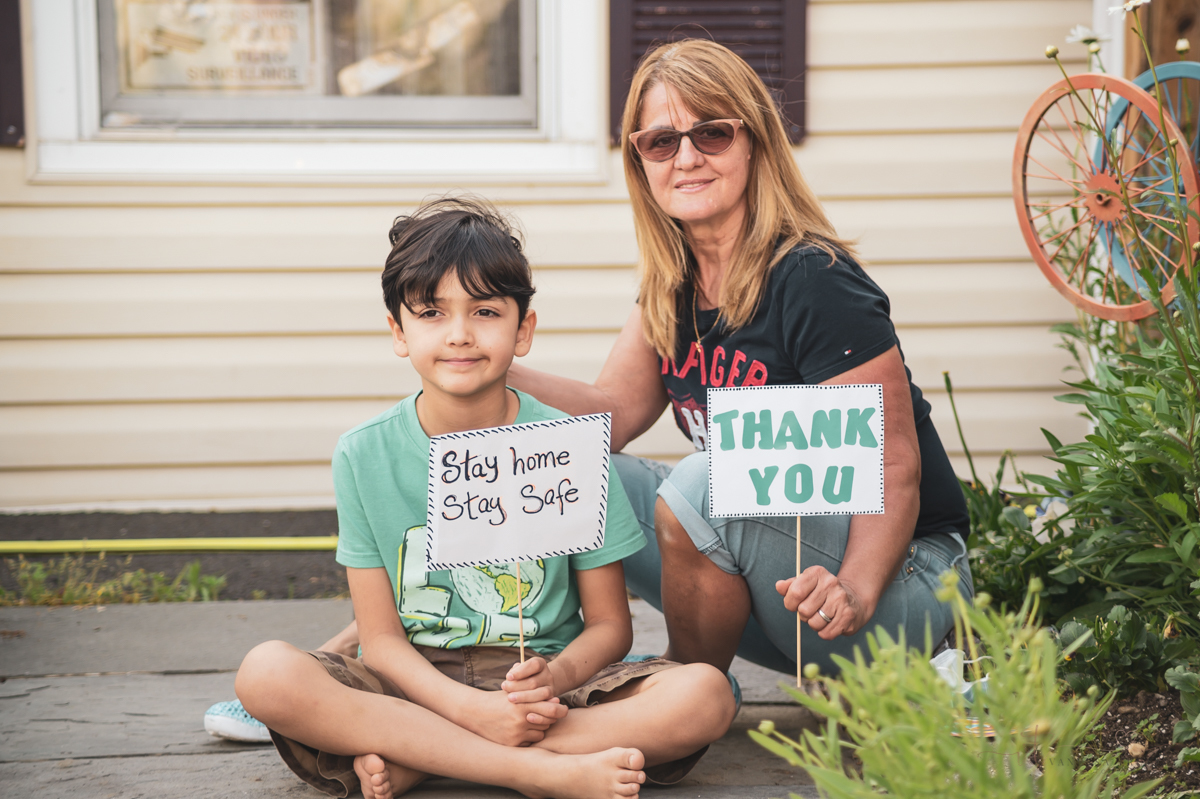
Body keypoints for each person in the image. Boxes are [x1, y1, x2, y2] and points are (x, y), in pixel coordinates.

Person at [233, 198, 735, 799]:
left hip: (548, 691)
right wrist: (470, 711)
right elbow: (381, 640)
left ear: (524, 330)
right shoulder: (363, 454)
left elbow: (609, 625)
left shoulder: (573, 444)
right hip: (416, 686)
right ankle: (536, 772)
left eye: (486, 311)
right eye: (431, 312)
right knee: (266, 674)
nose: (460, 334)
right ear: (398, 331)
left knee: (705, 694)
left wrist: (553, 678)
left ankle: (427, 756)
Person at [505, 38, 975, 677]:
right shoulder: (672, 286)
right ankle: (515, 661)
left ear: (754, 141)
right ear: (640, 159)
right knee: (577, 470)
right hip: (784, 588)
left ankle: (680, 693)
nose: (687, 157)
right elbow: (606, 417)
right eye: (661, 142)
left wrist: (857, 588)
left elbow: (893, 462)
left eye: (712, 133)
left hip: (901, 584)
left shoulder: (812, 277)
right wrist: (492, 363)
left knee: (706, 482)